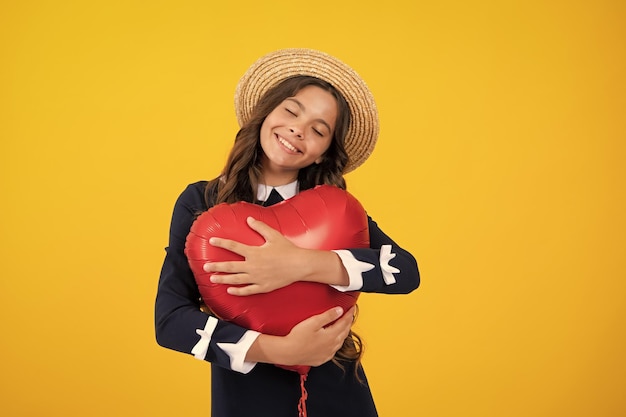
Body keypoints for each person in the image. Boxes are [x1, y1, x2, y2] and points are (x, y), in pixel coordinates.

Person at [155, 48, 420, 417]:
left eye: (319, 129)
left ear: (322, 154)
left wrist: (303, 264)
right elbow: (169, 321)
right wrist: (280, 350)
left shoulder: (334, 210)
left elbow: (406, 272)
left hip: (341, 394)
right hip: (246, 400)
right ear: (266, 114)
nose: (298, 129)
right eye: (291, 112)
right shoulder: (201, 200)